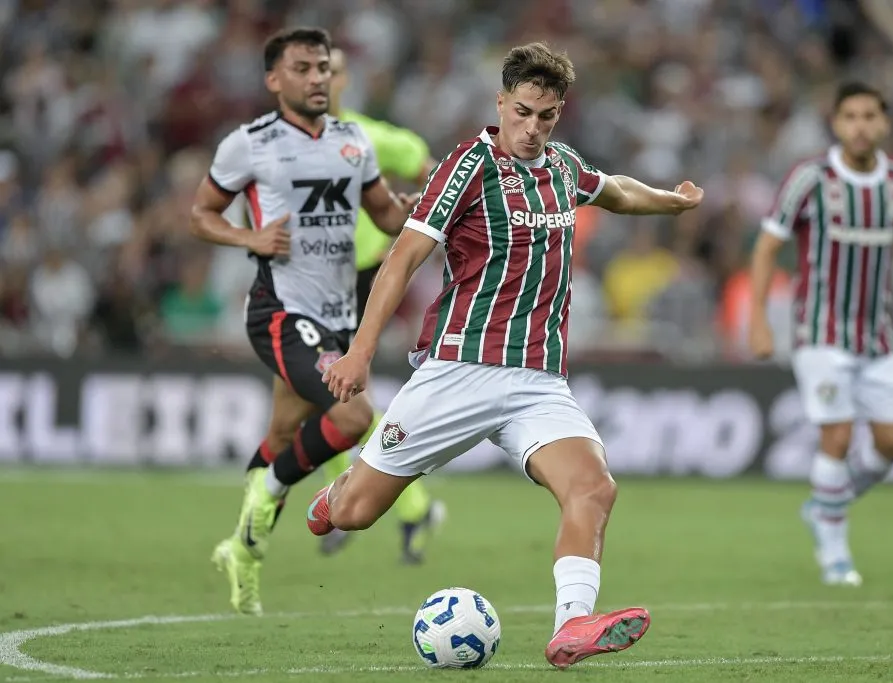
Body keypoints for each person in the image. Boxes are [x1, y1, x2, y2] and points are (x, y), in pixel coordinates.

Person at [307, 42, 704, 669]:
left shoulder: (563, 166)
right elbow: (403, 258)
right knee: (355, 514)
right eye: (522, 112)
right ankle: (339, 492)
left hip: (539, 380)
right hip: (458, 371)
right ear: (501, 102)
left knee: (594, 488)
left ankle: (572, 626)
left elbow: (617, 192)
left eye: (546, 116)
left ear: (559, 114)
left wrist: (670, 199)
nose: (532, 127)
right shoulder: (466, 167)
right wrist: (359, 353)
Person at [189, 27, 418, 616]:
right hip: (281, 311)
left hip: (339, 317)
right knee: (353, 412)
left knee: (286, 435)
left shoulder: (353, 141)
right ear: (274, 79)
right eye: (303, 68)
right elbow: (201, 214)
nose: (318, 78)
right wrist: (251, 236)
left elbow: (387, 215)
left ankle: (242, 550)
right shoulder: (249, 145)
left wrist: (426, 208)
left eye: (323, 67)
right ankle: (267, 496)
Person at [748, 82, 893, 587]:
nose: (860, 125)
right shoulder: (809, 178)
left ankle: (825, 505)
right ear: (836, 123)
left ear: (885, 123)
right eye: (850, 116)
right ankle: (835, 555)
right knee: (836, 434)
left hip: (878, 336)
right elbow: (768, 246)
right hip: (819, 332)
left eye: (869, 116)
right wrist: (758, 318)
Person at [316, 47, 445, 561]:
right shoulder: (279, 143)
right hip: (306, 284)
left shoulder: (371, 138)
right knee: (323, 399)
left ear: (346, 82)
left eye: (331, 71)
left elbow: (434, 175)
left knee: (332, 394)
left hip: (358, 279)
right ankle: (396, 506)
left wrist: (411, 232)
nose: (321, 81)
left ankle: (397, 505)